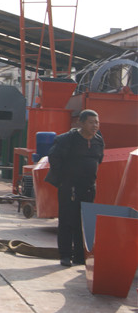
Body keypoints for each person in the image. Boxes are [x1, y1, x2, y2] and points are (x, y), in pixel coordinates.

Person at [45, 109, 105, 266]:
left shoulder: (98, 140)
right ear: (81, 123)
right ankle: (65, 255)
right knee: (67, 220)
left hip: (89, 188)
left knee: (83, 222)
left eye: (97, 122)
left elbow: (99, 159)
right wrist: (63, 180)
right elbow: (54, 158)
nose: (95, 125)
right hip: (69, 187)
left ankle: (80, 256)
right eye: (91, 122)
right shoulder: (67, 139)